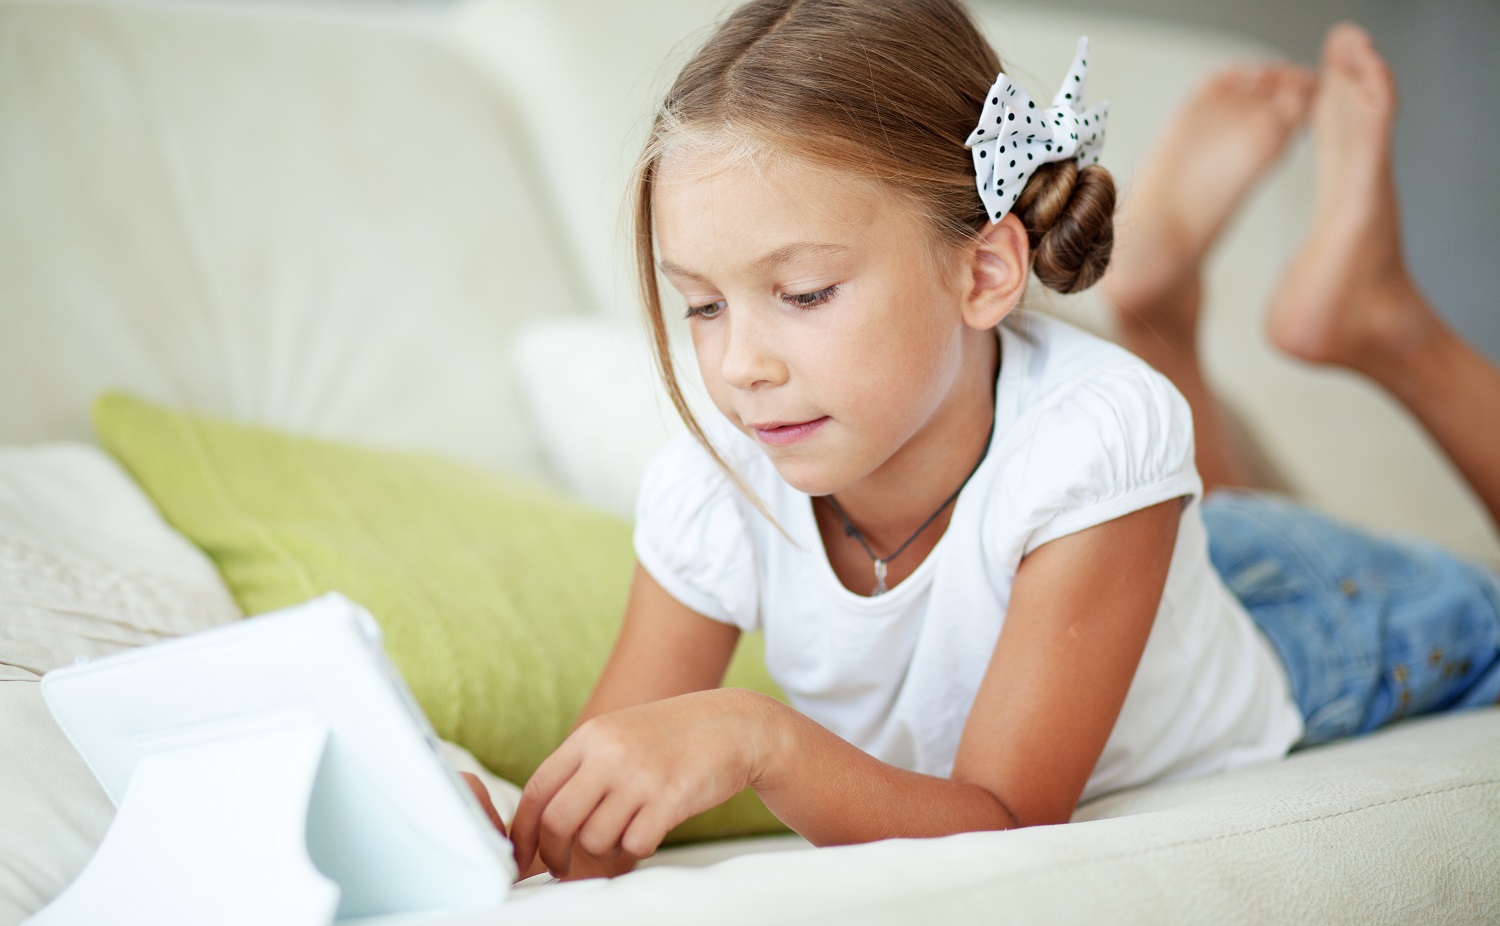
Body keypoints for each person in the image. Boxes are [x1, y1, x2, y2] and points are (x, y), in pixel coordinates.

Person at [482, 1, 1500, 881]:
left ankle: (1380, 322)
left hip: (1297, 616)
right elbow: (594, 791)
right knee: (1214, 512)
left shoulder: (1098, 438)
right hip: (1132, 567)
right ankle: (1162, 310)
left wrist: (759, 737)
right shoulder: (719, 475)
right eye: (702, 306)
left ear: (983, 274)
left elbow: (1004, 816)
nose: (742, 363)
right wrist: (486, 819)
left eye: (801, 293)